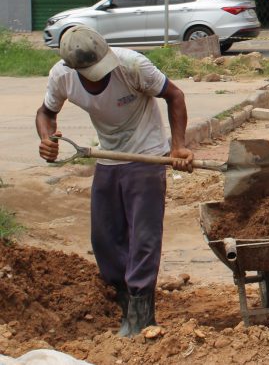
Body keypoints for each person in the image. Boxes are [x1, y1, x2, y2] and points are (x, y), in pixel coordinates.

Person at [35, 25, 193, 337]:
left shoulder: (132, 65)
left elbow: (174, 95)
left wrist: (178, 146)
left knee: (143, 235)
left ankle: (141, 315)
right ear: (73, 68)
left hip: (146, 154)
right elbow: (45, 113)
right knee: (105, 237)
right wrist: (47, 138)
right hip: (108, 154)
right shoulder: (62, 76)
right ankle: (122, 301)